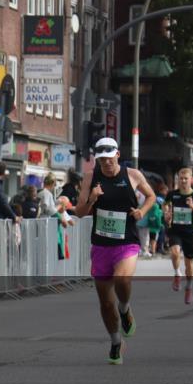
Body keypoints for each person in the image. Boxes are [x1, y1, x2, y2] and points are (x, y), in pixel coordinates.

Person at [72, 137, 155, 365]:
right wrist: (92, 199)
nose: (106, 164)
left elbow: (151, 196)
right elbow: (79, 212)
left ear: (118, 155)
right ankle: (116, 341)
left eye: (109, 159)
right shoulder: (90, 177)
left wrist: (142, 211)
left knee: (122, 278)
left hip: (126, 240)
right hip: (101, 244)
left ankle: (126, 308)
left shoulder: (133, 175)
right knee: (105, 304)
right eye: (101, 161)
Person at [163, 167, 193, 304]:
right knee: (175, 253)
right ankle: (177, 274)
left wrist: (192, 207)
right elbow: (165, 205)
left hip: (189, 232)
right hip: (175, 230)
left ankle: (189, 287)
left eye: (185, 178)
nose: (183, 181)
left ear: (190, 179)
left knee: (189, 263)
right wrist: (167, 214)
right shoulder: (172, 194)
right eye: (180, 178)